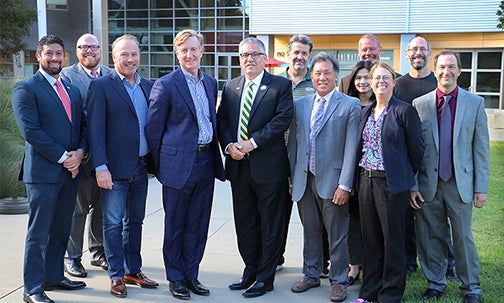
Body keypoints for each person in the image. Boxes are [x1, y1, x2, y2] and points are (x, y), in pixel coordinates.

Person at [145, 29, 225, 300]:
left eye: (193, 49)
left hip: (206, 161)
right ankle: (176, 277)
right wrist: (161, 167)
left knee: (198, 224)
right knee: (176, 225)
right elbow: (153, 130)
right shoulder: (166, 84)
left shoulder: (211, 83)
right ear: (176, 53)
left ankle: (191, 273)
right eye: (183, 50)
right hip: (177, 166)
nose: (189, 55)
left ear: (202, 51)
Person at [12, 34, 87, 303]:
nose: (54, 58)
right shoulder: (26, 88)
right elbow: (31, 131)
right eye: (49, 54)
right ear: (38, 56)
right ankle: (32, 288)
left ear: (64, 56)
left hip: (71, 172)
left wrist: (79, 154)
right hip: (43, 174)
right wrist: (63, 157)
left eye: (58, 53)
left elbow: (81, 126)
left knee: (61, 229)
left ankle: (53, 276)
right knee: (39, 233)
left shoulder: (71, 89)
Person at [410, 50, 489, 303]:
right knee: (430, 236)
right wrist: (413, 185)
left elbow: (481, 148)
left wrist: (481, 188)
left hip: (460, 184)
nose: (446, 72)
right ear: (435, 71)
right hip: (428, 184)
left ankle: (471, 288)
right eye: (442, 67)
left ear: (459, 71)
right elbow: (413, 150)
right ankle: (435, 282)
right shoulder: (420, 104)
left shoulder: (474, 103)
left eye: (451, 67)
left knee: (463, 238)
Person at [217, 37, 293, 298]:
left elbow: (282, 119)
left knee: (270, 223)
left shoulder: (280, 86)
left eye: (254, 54)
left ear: (264, 58)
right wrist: (229, 146)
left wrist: (252, 144)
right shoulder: (230, 87)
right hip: (239, 168)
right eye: (244, 55)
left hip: (269, 167)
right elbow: (222, 120)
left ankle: (265, 277)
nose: (249, 59)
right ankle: (249, 270)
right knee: (245, 222)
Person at [87, 34, 158, 298]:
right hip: (113, 170)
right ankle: (116, 275)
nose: (130, 59)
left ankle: (132, 270)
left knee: (135, 222)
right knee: (114, 224)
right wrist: (100, 167)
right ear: (113, 57)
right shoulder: (102, 86)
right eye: (124, 54)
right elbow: (95, 130)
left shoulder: (148, 86)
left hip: (141, 168)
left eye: (134, 54)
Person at [287, 52, 360, 302]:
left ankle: (339, 280)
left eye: (327, 72)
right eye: (317, 73)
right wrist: (291, 179)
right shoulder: (301, 105)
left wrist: (345, 183)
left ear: (336, 75)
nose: (322, 77)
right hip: (304, 179)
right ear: (311, 76)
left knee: (337, 233)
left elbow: (352, 147)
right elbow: (294, 145)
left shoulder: (349, 105)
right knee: (310, 230)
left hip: (334, 181)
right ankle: (311, 273)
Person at [356, 63, 424, 303]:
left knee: (392, 240)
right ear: (371, 83)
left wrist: (404, 177)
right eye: (376, 78)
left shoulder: (404, 111)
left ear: (394, 82)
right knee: (371, 240)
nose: (380, 81)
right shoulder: (366, 111)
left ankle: (391, 294)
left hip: (392, 185)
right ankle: (369, 292)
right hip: (366, 181)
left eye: (386, 77)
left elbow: (417, 150)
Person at [393, 35, 458, 278]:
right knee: (407, 215)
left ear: (429, 54)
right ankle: (410, 261)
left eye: (423, 49)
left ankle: (447, 263)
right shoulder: (398, 85)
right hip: (404, 160)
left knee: (440, 218)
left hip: (435, 161)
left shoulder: (438, 81)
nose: (418, 53)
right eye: (413, 49)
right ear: (407, 54)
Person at [60, 33, 112, 278]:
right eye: (83, 47)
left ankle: (98, 251)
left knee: (101, 208)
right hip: (80, 155)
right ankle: (73, 257)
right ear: (76, 50)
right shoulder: (67, 76)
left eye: (93, 47)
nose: (89, 51)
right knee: (78, 209)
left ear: (101, 50)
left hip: (107, 157)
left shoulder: (112, 75)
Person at [277, 33, 328, 275]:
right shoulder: (275, 82)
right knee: (278, 213)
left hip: (308, 159)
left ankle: (322, 264)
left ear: (309, 57)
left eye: (304, 53)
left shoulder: (316, 83)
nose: (299, 57)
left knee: (315, 217)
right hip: (278, 157)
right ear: (288, 54)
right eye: (295, 52)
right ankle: (276, 257)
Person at [344, 60, 375, 286]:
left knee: (372, 222)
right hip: (350, 171)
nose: (363, 82)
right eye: (359, 78)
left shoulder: (381, 105)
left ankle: (372, 266)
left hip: (374, 174)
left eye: (367, 78)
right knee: (352, 221)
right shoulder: (347, 104)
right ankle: (354, 265)